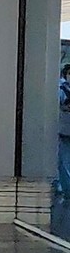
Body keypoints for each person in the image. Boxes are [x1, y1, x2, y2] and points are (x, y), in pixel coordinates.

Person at [58, 64, 70, 201]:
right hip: (64, 130)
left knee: (64, 160)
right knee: (64, 160)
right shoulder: (62, 89)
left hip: (64, 130)